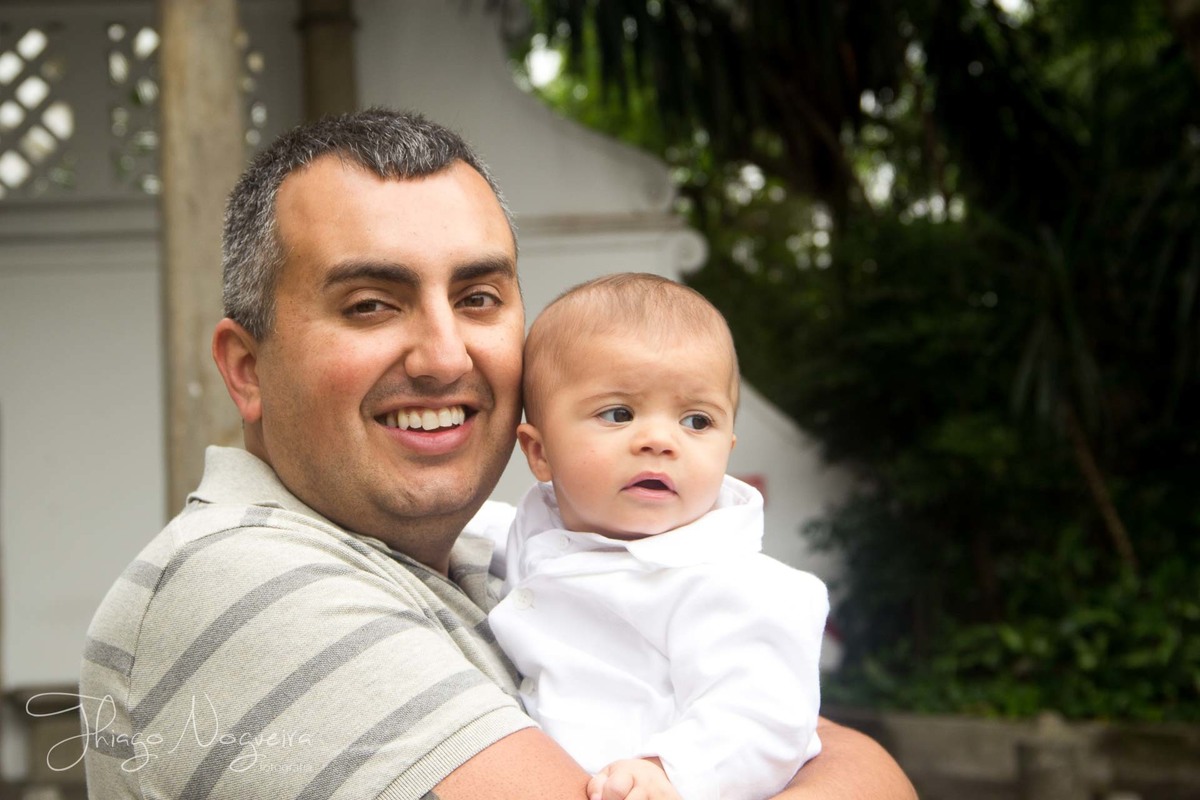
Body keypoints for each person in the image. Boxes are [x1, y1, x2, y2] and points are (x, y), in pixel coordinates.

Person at [79, 108, 917, 800]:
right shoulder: (245, 580)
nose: (445, 355)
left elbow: (818, 742)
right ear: (248, 368)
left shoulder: (520, 544)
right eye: (372, 304)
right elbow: (844, 767)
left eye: (479, 298)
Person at [484, 273, 829, 800]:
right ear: (539, 452)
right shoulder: (532, 531)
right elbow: (481, 529)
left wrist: (670, 771)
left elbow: (766, 715)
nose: (660, 441)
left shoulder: (738, 585)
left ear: (727, 448)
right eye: (619, 414)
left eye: (696, 420)